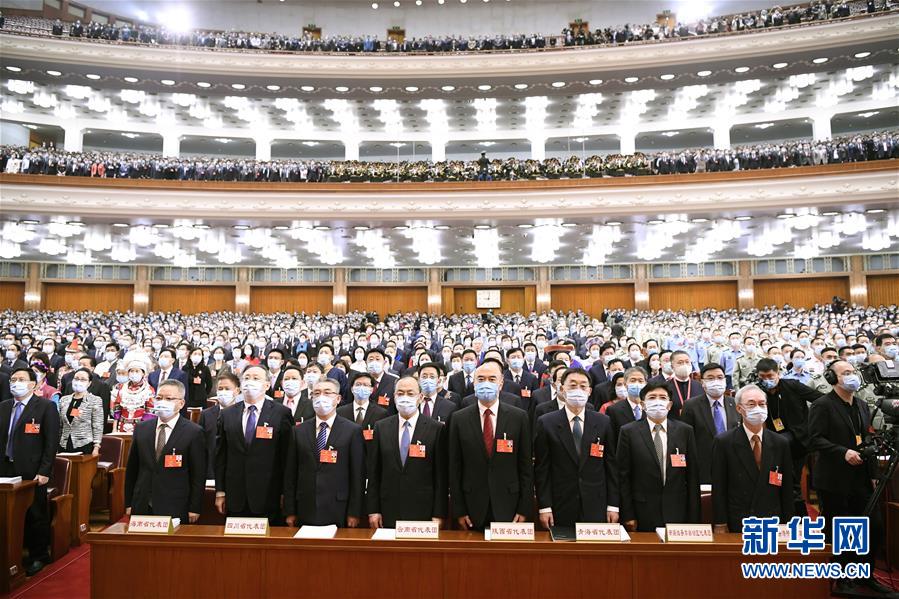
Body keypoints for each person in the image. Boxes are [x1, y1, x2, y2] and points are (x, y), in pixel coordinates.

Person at [808, 360, 891, 596]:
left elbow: (867, 439)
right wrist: (843, 452)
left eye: (853, 371)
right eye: (845, 372)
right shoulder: (822, 405)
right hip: (834, 478)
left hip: (861, 477)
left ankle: (865, 575)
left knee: (873, 527)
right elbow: (814, 439)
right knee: (842, 530)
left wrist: (873, 474)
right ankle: (842, 577)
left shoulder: (862, 405)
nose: (852, 375)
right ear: (832, 378)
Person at [448, 359, 533, 530]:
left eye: (492, 379)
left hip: (509, 503)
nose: (486, 383)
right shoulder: (458, 419)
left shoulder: (519, 417)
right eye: (481, 379)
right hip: (471, 505)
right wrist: (459, 509)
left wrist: (524, 508)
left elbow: (525, 466)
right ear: (474, 383)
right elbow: (454, 466)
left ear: (501, 384)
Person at [534, 368, 618, 529]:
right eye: (572, 386)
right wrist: (544, 507)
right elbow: (542, 468)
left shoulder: (603, 422)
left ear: (589, 391)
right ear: (562, 389)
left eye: (583, 386)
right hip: (560, 503)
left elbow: (611, 466)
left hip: (596, 503)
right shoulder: (546, 422)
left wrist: (613, 505)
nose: (578, 390)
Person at [618, 380, 700, 532]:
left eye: (663, 398)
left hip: (678, 511)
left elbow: (692, 476)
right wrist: (628, 514)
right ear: (643, 404)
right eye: (652, 397)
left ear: (669, 405)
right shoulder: (628, 432)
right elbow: (623, 476)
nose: (658, 401)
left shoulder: (685, 431)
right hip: (642, 511)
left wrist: (694, 517)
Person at [0, 368, 60, 576]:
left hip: (32, 471)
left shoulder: (45, 407)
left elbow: (51, 442)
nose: (16, 382)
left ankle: (39, 556)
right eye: (13, 379)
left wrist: (45, 470)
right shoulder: (4, 406)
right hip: (5, 468)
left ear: (33, 384)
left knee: (35, 513)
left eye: (21, 379)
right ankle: (10, 556)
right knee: (6, 513)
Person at [214, 365, 293, 523]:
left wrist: (286, 494)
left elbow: (287, 458)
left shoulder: (281, 413)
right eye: (246, 378)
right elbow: (221, 456)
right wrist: (220, 491)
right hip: (235, 495)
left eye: (256, 378)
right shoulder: (227, 414)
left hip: (269, 495)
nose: (250, 382)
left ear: (267, 385)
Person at [366, 376, 448, 528]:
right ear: (394, 396)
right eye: (400, 393)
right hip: (388, 508)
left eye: (410, 393)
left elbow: (440, 476)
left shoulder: (436, 428)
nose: (405, 397)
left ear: (420, 397)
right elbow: (374, 472)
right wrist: (373, 510)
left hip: (423, 509)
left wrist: (439, 513)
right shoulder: (381, 427)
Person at [711, 384, 793, 533]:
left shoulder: (780, 443)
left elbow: (787, 487)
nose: (758, 408)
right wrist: (720, 522)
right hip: (739, 520)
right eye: (751, 404)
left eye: (762, 404)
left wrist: (788, 523)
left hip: (772, 519)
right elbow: (719, 486)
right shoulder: (724, 442)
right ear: (739, 409)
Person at [284, 378, 364, 527]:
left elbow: (357, 474)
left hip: (339, 507)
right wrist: (290, 510)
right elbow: (290, 473)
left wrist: (354, 512)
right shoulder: (298, 431)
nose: (321, 397)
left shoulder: (352, 431)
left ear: (338, 399)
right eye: (316, 393)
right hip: (305, 506)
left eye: (327, 393)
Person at [124, 379, 205, 523]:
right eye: (159, 398)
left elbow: (198, 474)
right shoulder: (142, 428)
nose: (162, 402)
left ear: (181, 403)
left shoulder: (193, 432)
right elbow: (132, 469)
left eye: (169, 399)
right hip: (142, 503)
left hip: (175, 504)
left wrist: (195, 507)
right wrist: (129, 503)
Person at [755, 357, 820, 517]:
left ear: (778, 373)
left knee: (792, 482)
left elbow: (820, 399)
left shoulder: (792, 385)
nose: (767, 380)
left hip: (798, 442)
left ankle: (797, 516)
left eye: (770, 376)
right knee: (776, 480)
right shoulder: (757, 391)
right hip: (770, 445)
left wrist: (811, 424)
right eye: (762, 377)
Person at [680, 363, 740, 485]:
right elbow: (685, 439)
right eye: (710, 378)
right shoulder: (691, 405)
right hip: (704, 467)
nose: (716, 381)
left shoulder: (735, 404)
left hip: (733, 464)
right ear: (702, 382)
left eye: (720, 377)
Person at [200, 372, 240, 480]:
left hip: (235, 473)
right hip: (210, 472)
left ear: (237, 391)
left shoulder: (243, 414)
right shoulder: (206, 415)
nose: (223, 392)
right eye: (220, 389)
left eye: (227, 389)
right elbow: (201, 447)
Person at [57, 367, 104, 455]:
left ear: (89, 383)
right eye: (76, 379)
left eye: (83, 379)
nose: (78, 382)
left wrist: (96, 446)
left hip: (84, 444)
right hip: (64, 444)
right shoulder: (64, 400)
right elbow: (60, 425)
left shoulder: (95, 400)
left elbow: (97, 425)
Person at [111, 356, 156, 433]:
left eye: (137, 371)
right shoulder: (122, 388)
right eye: (131, 371)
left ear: (143, 373)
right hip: (122, 426)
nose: (134, 373)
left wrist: (144, 430)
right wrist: (114, 428)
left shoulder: (149, 390)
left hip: (140, 428)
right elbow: (117, 409)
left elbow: (150, 413)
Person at [336, 371, 387, 436]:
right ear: (352, 389)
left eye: (365, 385)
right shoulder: (340, 412)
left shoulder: (381, 413)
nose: (361, 387)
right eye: (358, 384)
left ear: (371, 390)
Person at [605, 367, 647, 443]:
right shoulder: (613, 410)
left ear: (645, 384)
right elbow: (610, 440)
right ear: (625, 384)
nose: (637, 384)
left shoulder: (651, 408)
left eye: (640, 381)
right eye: (633, 380)